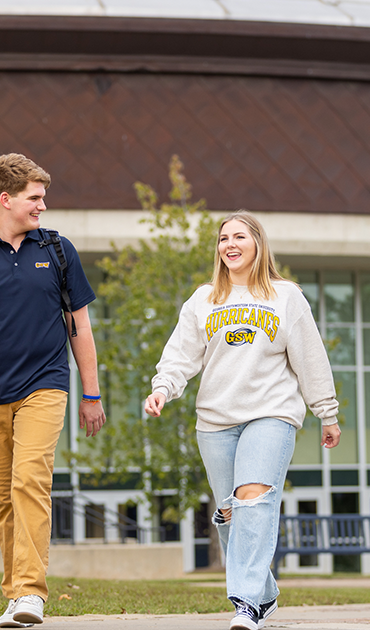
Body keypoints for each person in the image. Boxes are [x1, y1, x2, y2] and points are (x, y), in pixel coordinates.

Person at [143, 211, 341, 630]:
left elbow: (310, 358)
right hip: (215, 420)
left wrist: (327, 412)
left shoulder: (286, 296)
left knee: (253, 498)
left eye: (239, 236)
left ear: (258, 244)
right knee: (232, 512)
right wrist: (163, 389)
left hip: (271, 413)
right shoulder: (203, 299)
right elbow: (181, 356)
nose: (229, 244)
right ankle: (265, 593)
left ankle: (246, 603)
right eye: (223, 238)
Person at [0, 153, 106, 628]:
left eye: (44, 197)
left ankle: (31, 593)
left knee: (29, 479)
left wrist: (91, 395)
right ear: (6, 198)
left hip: (45, 384)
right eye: (35, 198)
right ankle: (15, 594)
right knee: (4, 496)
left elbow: (80, 327)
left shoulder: (57, 250)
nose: (43, 206)